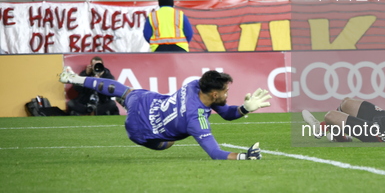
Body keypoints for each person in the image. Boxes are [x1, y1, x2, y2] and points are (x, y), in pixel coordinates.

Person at [59, 67, 270, 160]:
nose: (228, 93)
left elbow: (225, 112)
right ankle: (158, 135)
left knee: (122, 90)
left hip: (147, 103)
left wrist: (244, 109)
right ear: (214, 95)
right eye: (226, 91)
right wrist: (244, 156)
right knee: (168, 144)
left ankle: (74, 78)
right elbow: (216, 154)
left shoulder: (194, 85)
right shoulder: (196, 121)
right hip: (141, 130)